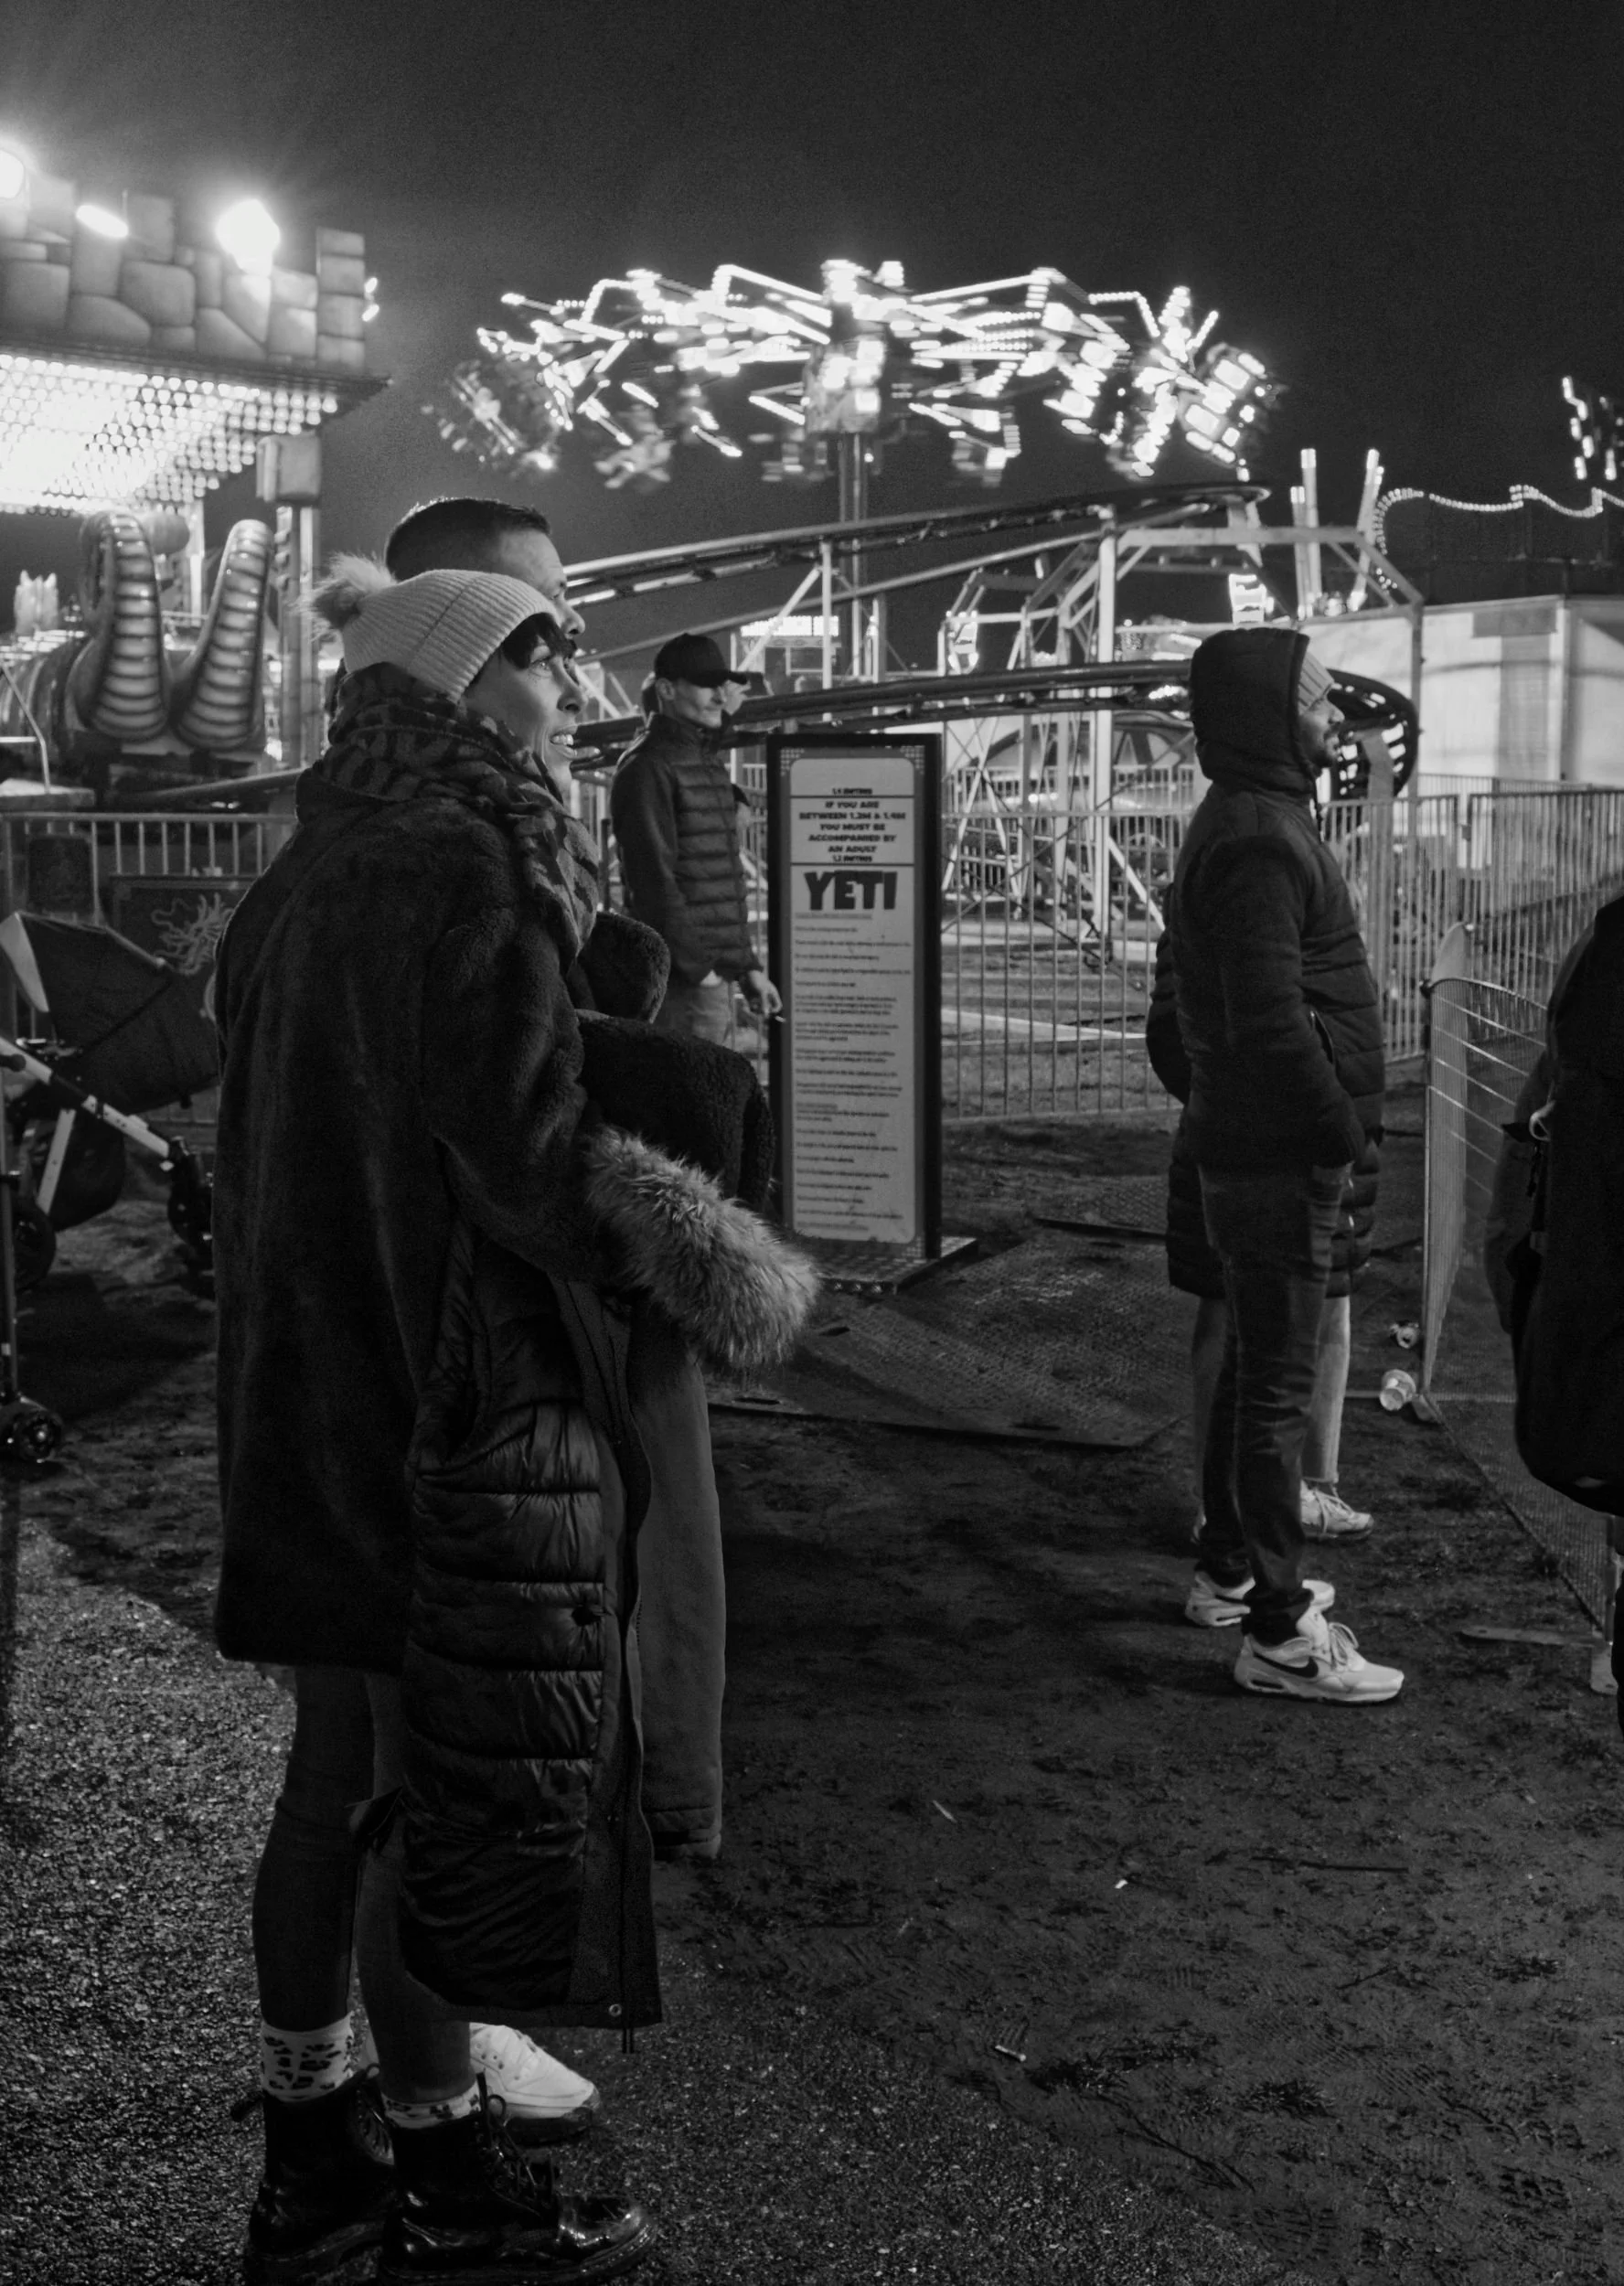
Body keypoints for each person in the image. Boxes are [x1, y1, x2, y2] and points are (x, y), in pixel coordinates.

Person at [216, 555, 815, 2283]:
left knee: (336, 1783)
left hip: (305, 1403)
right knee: (437, 1804)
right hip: (439, 1410)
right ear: (466, 686)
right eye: (547, 655)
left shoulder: (311, 872)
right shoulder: (465, 874)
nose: (572, 685)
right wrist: (687, 1122)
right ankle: (443, 2171)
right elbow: (522, 1162)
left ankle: (308, 2154)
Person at [1161, 625, 1403, 1704]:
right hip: (1277, 1157)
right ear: (1266, 715)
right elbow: (1266, 1021)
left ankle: (1230, 1571)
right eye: (1314, 700)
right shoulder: (1261, 838)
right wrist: (1339, 1131)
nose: (1333, 719)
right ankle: (1276, 1627)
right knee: (1273, 1391)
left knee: (1258, 1376)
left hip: (1256, 1148)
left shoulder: (1256, 819)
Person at [1149, 939, 1379, 1599]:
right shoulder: (1247, 869)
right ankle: (1226, 1521)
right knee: (1233, 1323)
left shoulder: (1289, 880)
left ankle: (1306, 1490)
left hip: (1315, 1145)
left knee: (1329, 1303)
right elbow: (1178, 1033)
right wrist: (1251, 1109)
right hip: (1263, 1146)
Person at [609, 631, 779, 1044]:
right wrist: (701, 972)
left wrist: (746, 967)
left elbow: (714, 883)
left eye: (723, 686)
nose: (721, 697)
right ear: (667, 689)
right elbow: (653, 881)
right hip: (689, 984)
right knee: (688, 1102)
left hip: (708, 976)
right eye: (708, 685)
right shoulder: (649, 767)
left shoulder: (694, 758)